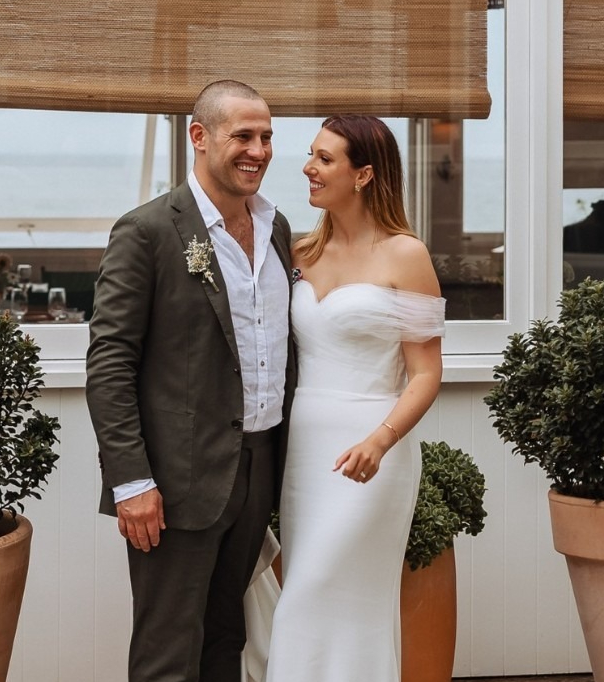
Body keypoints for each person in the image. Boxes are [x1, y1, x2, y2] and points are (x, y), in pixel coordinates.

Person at [86, 80, 295, 682]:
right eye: (243, 136)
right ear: (199, 138)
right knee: (168, 649)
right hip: (175, 482)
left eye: (267, 137)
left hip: (258, 467)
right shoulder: (148, 231)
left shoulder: (278, 228)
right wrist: (131, 481)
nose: (258, 150)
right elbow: (110, 361)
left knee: (226, 636)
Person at [264, 115, 445, 681]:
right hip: (303, 455)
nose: (307, 168)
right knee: (311, 596)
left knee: (319, 592)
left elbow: (426, 373)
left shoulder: (406, 255)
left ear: (363, 174)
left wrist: (380, 441)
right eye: (311, 155)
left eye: (324, 159)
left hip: (371, 454)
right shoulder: (297, 253)